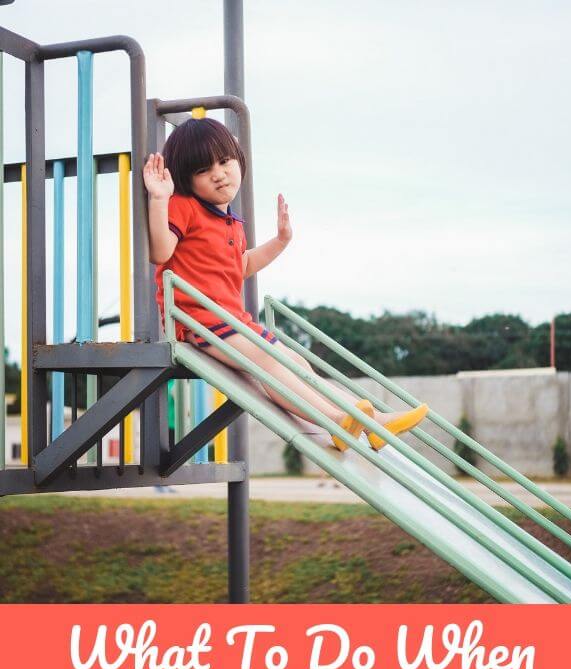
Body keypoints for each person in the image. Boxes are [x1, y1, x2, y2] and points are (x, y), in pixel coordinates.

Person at [143, 118, 428, 451]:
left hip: (232, 322)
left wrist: (280, 241)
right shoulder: (185, 206)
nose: (219, 173)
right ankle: (335, 421)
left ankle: (373, 424)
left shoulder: (230, 223)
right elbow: (161, 252)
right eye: (204, 170)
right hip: (199, 323)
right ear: (187, 180)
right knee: (268, 363)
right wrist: (160, 199)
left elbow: (242, 265)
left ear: (238, 159)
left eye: (224, 161)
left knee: (296, 363)